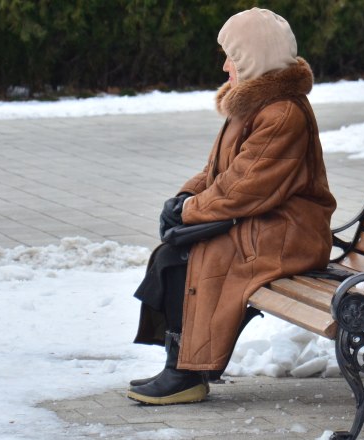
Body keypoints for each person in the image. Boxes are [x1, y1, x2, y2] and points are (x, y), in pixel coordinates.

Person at [127, 7, 336, 405]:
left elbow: (244, 188)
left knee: (201, 254)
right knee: (174, 254)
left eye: (233, 56)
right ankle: (182, 364)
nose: (225, 66)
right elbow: (218, 172)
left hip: (291, 234)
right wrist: (185, 198)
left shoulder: (282, 113)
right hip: (266, 224)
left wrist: (188, 213)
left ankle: (186, 372)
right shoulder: (252, 106)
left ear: (254, 57)